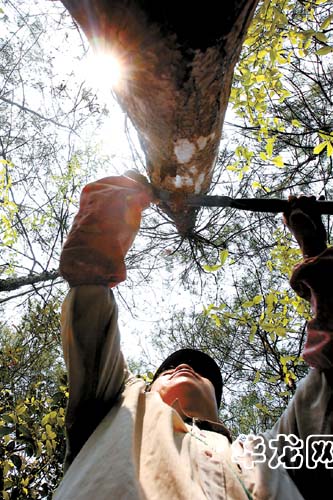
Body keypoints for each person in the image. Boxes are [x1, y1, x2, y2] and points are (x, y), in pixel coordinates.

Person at [53, 173, 333, 499]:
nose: (186, 368)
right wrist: (117, 202)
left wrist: (318, 261)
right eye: (170, 369)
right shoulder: (114, 404)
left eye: (202, 373)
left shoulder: (272, 453)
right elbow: (89, 283)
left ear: (217, 399)